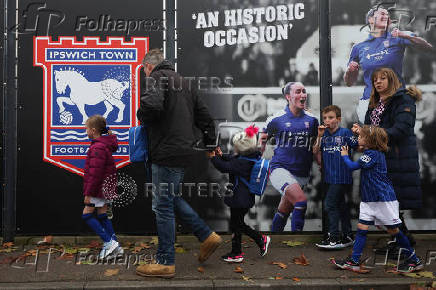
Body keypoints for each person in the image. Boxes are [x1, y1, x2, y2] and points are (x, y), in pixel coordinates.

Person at [136, 49, 222, 278]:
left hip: (165, 152)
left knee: (162, 205)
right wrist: (211, 144)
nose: (145, 74)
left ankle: (165, 262)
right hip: (184, 151)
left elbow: (151, 106)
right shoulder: (185, 82)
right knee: (169, 198)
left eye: (144, 70)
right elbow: (206, 119)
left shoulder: (156, 77)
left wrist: (140, 115)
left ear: (148, 66)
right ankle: (206, 235)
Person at [333, 126, 423, 273]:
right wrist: (356, 133)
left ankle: (414, 260)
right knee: (362, 229)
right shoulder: (371, 151)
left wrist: (344, 154)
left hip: (382, 200)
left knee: (394, 231)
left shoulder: (373, 155)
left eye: (361, 136)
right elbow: (356, 142)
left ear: (369, 141)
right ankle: (354, 261)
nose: (358, 139)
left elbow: (352, 166)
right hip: (370, 200)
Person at [352, 67, 422, 248]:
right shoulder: (374, 103)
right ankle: (402, 241)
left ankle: (403, 244)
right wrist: (360, 137)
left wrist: (368, 134)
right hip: (379, 160)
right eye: (375, 79)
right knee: (388, 204)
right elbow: (369, 130)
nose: (378, 82)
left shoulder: (403, 100)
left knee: (391, 203)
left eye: (383, 78)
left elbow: (401, 130)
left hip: (397, 159)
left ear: (392, 80)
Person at [344, 5, 432, 124]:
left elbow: (426, 47)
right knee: (374, 140)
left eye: (387, 15)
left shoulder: (398, 37)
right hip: (370, 101)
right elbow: (349, 82)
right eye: (382, 14)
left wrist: (404, 35)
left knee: (394, 138)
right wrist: (350, 71)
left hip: (395, 99)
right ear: (370, 19)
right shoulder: (358, 47)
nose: (385, 16)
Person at [261, 82, 319, 232]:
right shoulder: (276, 119)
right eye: (298, 92)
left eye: (304, 91)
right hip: (279, 170)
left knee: (284, 211)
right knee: (300, 202)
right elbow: (261, 141)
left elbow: (315, 147)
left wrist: (322, 165)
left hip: (302, 174)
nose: (303, 95)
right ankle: (296, 242)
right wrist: (254, 163)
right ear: (288, 97)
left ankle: (273, 239)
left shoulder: (312, 120)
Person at [208, 126, 271, 263]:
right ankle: (237, 252)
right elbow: (231, 158)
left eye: (235, 146)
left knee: (238, 225)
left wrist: (213, 158)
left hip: (240, 199)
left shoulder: (242, 162)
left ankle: (259, 240)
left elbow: (225, 167)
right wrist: (220, 155)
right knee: (237, 224)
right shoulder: (249, 156)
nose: (234, 148)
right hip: (242, 197)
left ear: (242, 148)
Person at [313, 105, 357, 249]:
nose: (327, 120)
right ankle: (348, 235)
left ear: (338, 119)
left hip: (342, 176)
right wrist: (319, 136)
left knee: (330, 204)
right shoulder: (323, 135)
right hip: (329, 178)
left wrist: (359, 134)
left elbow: (358, 146)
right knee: (340, 205)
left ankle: (334, 238)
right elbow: (315, 150)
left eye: (330, 117)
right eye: (325, 118)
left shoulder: (345, 133)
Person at [82, 115, 123, 259]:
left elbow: (95, 174)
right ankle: (116, 246)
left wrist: (88, 193)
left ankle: (109, 242)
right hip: (105, 188)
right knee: (102, 215)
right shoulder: (103, 144)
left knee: (87, 215)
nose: (85, 131)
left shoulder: (97, 147)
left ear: (93, 130)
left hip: (98, 188)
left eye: (86, 128)